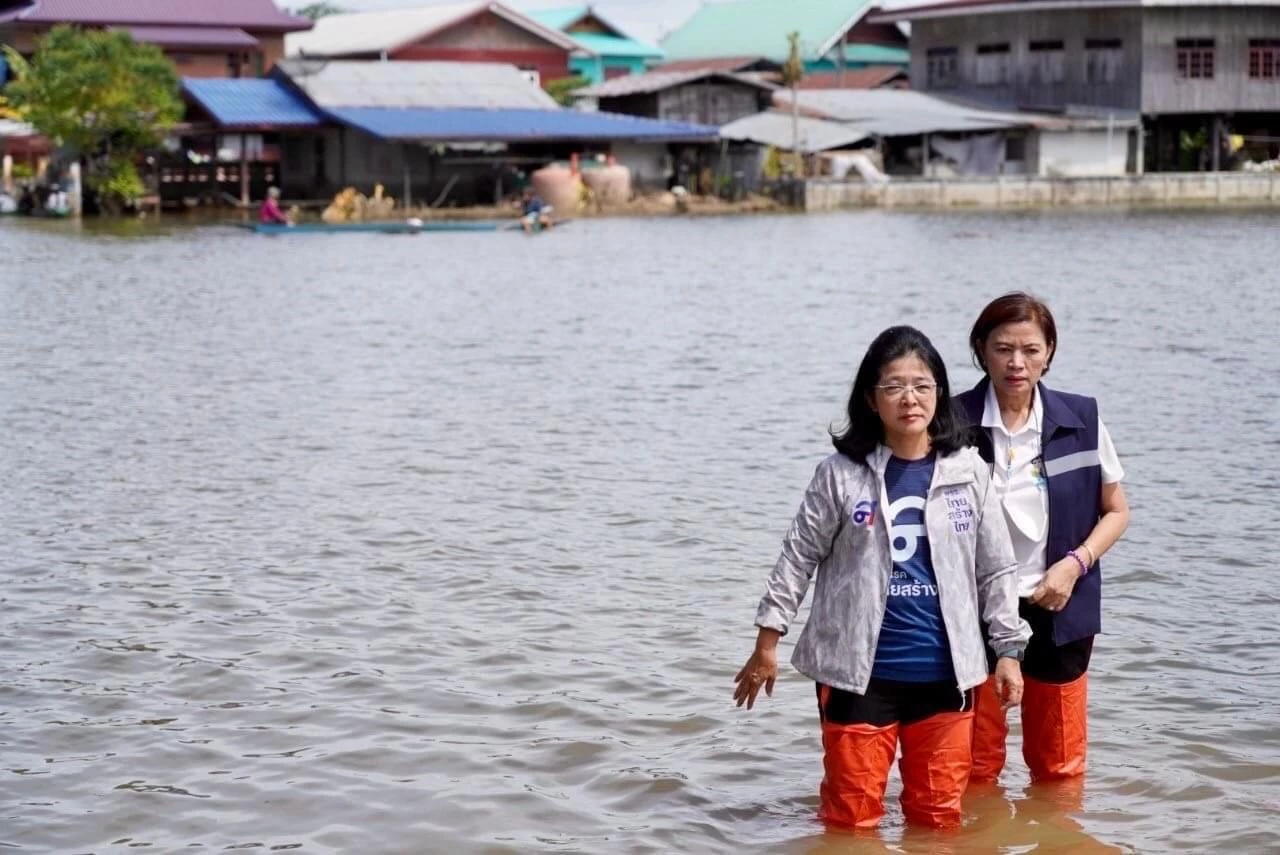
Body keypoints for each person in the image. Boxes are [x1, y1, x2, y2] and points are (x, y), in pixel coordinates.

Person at [733, 325, 1031, 830]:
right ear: (872, 400)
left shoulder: (968, 471)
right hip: (858, 673)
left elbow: (996, 569)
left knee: (938, 819)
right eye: (894, 386)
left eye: (922, 384)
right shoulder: (841, 473)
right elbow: (797, 557)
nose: (909, 398)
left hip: (945, 675)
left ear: (940, 392)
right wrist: (768, 641)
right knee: (852, 819)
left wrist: (1008, 651)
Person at [955, 292, 1130, 785]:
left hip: (1060, 603)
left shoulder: (1081, 419)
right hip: (973, 610)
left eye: (1031, 349)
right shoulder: (949, 422)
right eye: (1003, 348)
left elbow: (1116, 511)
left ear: (1049, 351)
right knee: (973, 764)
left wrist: (1075, 563)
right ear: (981, 350)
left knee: (1059, 765)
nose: (1017, 363)